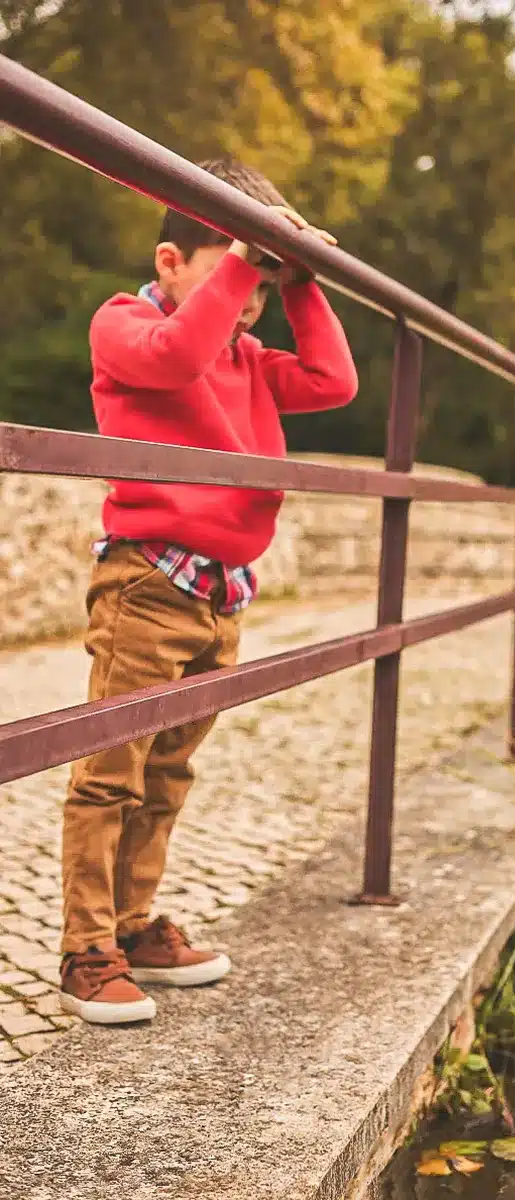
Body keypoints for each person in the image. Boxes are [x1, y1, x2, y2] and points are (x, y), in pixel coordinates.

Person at [59, 158, 358, 1025]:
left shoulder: (247, 357)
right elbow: (176, 355)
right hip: (148, 582)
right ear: (169, 262)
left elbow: (335, 383)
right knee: (111, 770)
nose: (247, 300)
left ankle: (135, 923)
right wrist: (245, 257)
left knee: (169, 771)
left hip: (221, 592)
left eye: (260, 288)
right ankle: (86, 949)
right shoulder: (125, 324)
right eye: (235, 273)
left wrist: (300, 281)